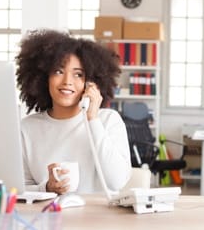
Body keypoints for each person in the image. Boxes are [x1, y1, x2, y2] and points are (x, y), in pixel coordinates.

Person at [15, 29, 131, 194]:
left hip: (99, 218)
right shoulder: (27, 128)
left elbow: (117, 182)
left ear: (91, 82)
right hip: (50, 215)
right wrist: (46, 188)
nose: (67, 81)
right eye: (58, 71)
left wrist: (92, 119)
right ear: (43, 77)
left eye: (78, 75)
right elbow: (20, 188)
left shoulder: (108, 120)